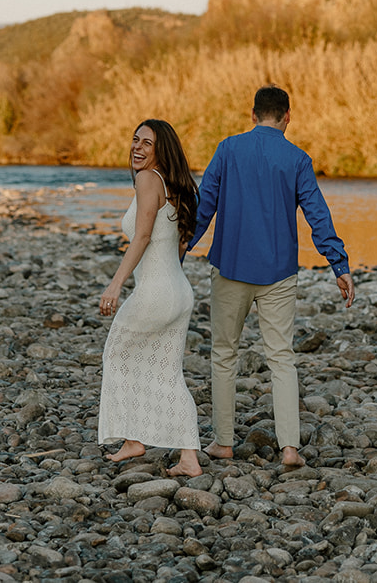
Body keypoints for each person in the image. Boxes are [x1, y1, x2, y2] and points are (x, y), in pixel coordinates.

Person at [188, 85, 353, 468]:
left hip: (231, 267)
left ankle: (224, 442)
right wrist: (339, 265)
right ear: (287, 117)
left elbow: (203, 207)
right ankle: (290, 448)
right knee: (282, 358)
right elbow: (317, 215)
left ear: (253, 114)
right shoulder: (297, 159)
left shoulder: (228, 149)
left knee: (224, 355)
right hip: (279, 272)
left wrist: (178, 250)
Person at [96, 118, 204, 476]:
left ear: (161, 150)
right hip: (179, 291)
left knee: (117, 353)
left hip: (156, 293)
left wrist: (115, 285)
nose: (137, 148)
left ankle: (133, 439)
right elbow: (181, 240)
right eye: (135, 139)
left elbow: (141, 237)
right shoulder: (175, 184)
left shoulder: (147, 180)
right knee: (167, 372)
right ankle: (187, 455)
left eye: (147, 143)